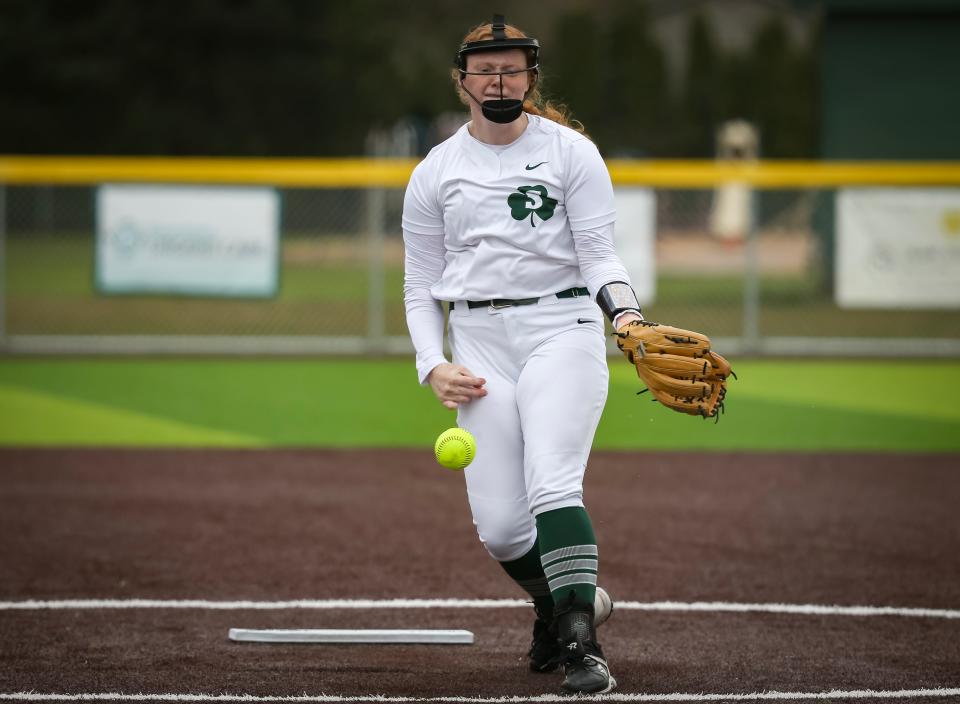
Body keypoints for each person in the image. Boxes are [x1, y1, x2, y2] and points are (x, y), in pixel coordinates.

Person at [402, 15, 643, 695]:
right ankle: (563, 603)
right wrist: (431, 362)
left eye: (511, 69)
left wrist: (625, 316)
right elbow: (420, 284)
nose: (498, 79)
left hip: (561, 326)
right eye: (485, 69)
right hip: (477, 343)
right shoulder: (435, 171)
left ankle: (580, 644)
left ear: (531, 78)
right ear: (463, 82)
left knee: (552, 485)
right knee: (504, 531)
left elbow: (600, 255)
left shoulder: (572, 153)